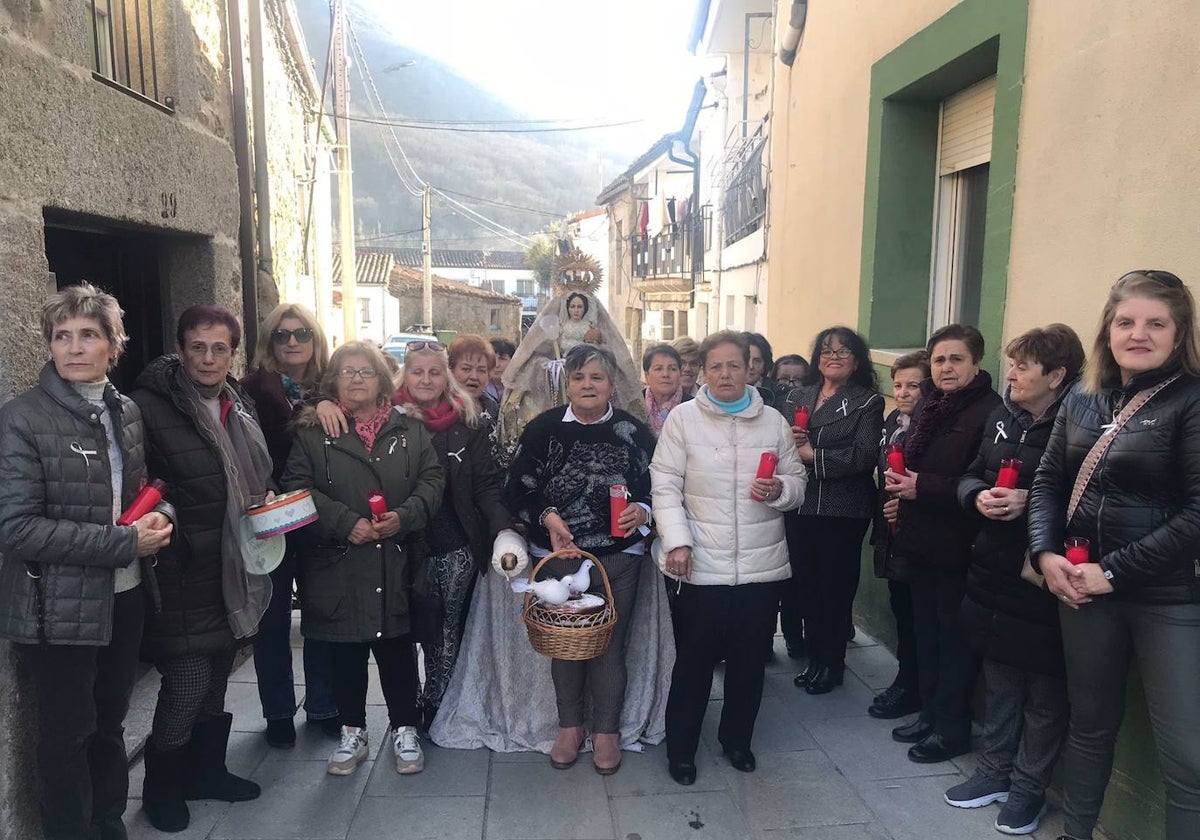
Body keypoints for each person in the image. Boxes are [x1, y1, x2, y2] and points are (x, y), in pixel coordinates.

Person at [1028, 270, 1200, 840]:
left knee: (1189, 760)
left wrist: (1114, 572)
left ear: (1180, 334)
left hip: (1167, 597)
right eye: (1126, 321)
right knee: (1090, 728)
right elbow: (1050, 481)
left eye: (1157, 323)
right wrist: (1045, 553)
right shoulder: (1083, 394)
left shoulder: (1192, 400)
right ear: (1108, 329)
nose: (1139, 333)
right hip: (1081, 588)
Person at [0, 284, 174, 840]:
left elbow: (140, 491)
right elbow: (16, 528)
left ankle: (107, 823)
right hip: (56, 611)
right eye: (62, 336)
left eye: (89, 335)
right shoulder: (22, 419)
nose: (75, 347)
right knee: (68, 735)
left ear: (112, 345)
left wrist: (161, 515)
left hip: (124, 598)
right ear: (50, 346)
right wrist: (126, 543)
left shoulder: (125, 412)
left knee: (110, 725)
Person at [131, 305, 276, 831]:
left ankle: (206, 772)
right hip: (182, 566)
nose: (209, 358)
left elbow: (250, 475)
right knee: (188, 680)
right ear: (180, 348)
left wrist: (268, 501)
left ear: (233, 352)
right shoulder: (147, 407)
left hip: (234, 563)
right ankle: (161, 787)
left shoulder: (238, 403)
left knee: (218, 672)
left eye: (220, 348)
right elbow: (138, 486)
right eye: (198, 347)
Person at [941, 324, 1084, 835]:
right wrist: (976, 495)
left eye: (1024, 366)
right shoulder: (1003, 417)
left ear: (1058, 375)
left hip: (1042, 575)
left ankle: (1028, 790)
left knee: (1045, 694)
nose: (1014, 373)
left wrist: (1034, 503)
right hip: (993, 567)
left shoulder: (1084, 422)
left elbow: (1096, 502)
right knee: (1000, 681)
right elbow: (971, 472)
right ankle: (993, 773)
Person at [283, 341, 444, 778]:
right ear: (333, 381)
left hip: (395, 557)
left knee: (396, 649)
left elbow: (432, 480)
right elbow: (297, 489)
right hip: (338, 562)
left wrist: (405, 516)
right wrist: (342, 522)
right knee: (345, 652)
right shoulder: (313, 432)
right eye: (347, 372)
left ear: (382, 381)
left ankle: (405, 727)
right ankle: (352, 730)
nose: (356, 379)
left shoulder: (408, 429)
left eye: (366, 372)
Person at [652, 330, 806, 786]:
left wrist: (780, 490)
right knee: (694, 663)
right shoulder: (683, 420)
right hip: (701, 566)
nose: (725, 374)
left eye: (734, 365)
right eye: (715, 366)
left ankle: (737, 740)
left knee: (748, 662)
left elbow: (797, 482)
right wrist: (677, 541)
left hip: (761, 568)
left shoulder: (773, 422)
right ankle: (681, 748)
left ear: (750, 368)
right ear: (701, 371)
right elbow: (664, 485)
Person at [503, 343, 657, 775]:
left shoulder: (635, 432)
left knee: (609, 644)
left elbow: (658, 484)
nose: (587, 385)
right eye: (578, 378)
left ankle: (606, 729)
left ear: (612, 384)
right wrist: (547, 515)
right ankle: (569, 726)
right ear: (566, 384)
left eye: (597, 377)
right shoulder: (542, 430)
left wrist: (643, 510)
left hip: (620, 555)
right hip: (557, 556)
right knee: (567, 646)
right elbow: (517, 487)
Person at [885, 324, 1001, 764]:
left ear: (976, 364)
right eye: (939, 360)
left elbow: (980, 481)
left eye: (956, 359)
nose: (947, 367)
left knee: (953, 640)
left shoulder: (989, 412)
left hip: (957, 544)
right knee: (926, 634)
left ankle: (951, 728)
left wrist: (922, 489)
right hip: (921, 542)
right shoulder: (935, 406)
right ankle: (930, 713)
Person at [392, 339, 514, 732]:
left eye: (434, 372)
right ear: (404, 374)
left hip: (454, 541)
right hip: (400, 540)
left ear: (446, 377)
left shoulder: (468, 420)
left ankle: (437, 703)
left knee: (446, 627)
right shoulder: (388, 417)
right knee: (402, 626)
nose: (426, 380)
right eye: (417, 371)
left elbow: (486, 485)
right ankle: (405, 705)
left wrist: (503, 528)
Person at [240, 303, 339, 748]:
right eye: (282, 335)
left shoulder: (334, 387)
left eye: (302, 333)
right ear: (270, 341)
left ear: (315, 339)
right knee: (272, 618)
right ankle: (278, 711)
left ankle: (324, 705)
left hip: (322, 516)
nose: (293, 342)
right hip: (271, 515)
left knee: (322, 615)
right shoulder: (250, 390)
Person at [783, 328, 884, 694]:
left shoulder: (867, 402)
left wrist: (811, 455)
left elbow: (862, 456)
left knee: (835, 589)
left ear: (857, 360)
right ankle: (815, 658)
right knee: (807, 586)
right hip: (800, 503)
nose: (834, 357)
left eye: (844, 351)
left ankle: (833, 662)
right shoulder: (797, 396)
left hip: (843, 509)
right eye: (827, 351)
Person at [865, 351, 929, 719]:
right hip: (890, 533)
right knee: (901, 611)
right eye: (899, 385)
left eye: (913, 385)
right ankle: (904, 680)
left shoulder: (927, 428)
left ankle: (912, 685)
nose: (903, 393)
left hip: (914, 536)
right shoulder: (894, 421)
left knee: (916, 617)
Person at [448, 334, 500, 419]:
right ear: (451, 370)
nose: (474, 377)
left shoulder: (494, 411)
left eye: (481, 370)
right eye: (466, 369)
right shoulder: (439, 412)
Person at [642, 343, 684, 438]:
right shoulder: (635, 404)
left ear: (680, 374)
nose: (665, 374)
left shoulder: (692, 406)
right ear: (646, 375)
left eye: (672, 369)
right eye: (658, 369)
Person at [487, 337, 516, 404]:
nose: (496, 365)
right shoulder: (479, 388)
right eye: (492, 358)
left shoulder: (519, 389)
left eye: (502, 359)